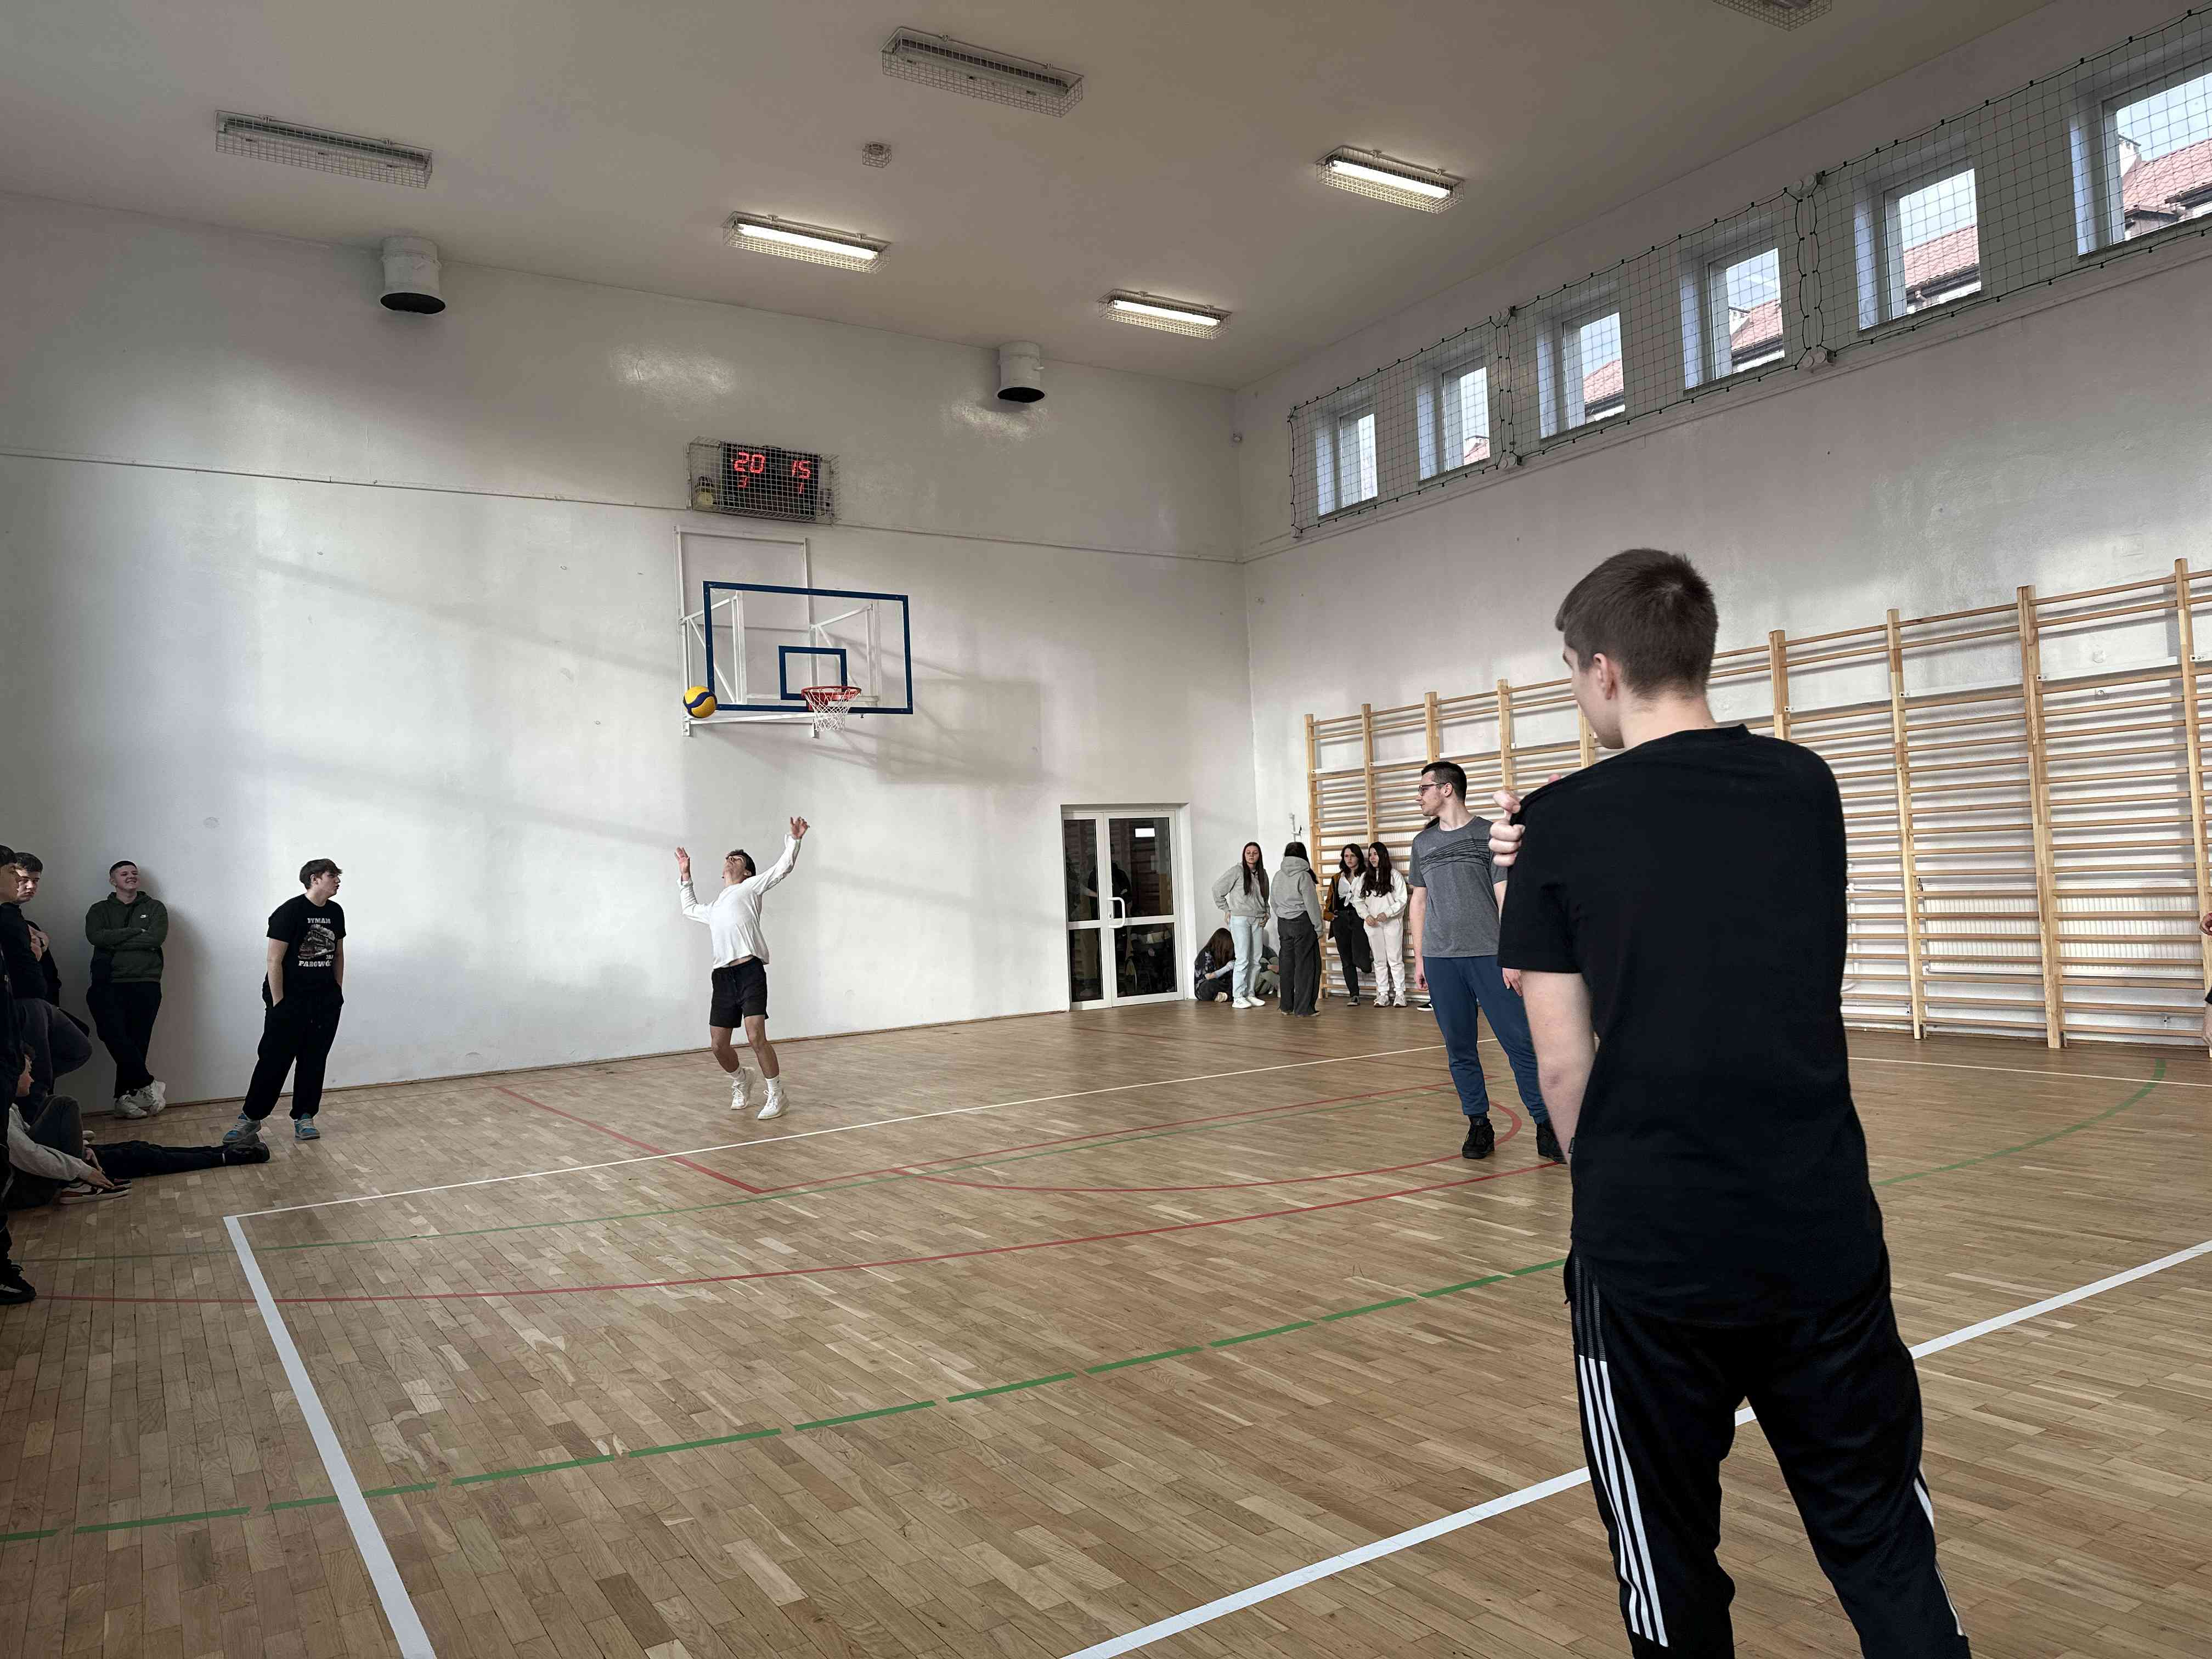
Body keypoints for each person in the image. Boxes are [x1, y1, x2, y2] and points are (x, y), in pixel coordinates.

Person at [1497, 548, 1968, 1659]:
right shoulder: (1806, 786)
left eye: (1571, 672)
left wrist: (1531, 874)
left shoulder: (1561, 821)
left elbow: (1560, 1065)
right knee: (1882, 1541)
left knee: (1668, 1569)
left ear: (1603, 670)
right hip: (1819, 1226)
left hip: (1651, 1255)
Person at [1408, 761, 1558, 1163]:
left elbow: (1506, 896)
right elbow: (1419, 901)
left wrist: (1512, 954)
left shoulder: (1488, 834)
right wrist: (1420, 958)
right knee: (1459, 1048)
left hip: (1491, 956)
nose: (1418, 797)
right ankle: (1478, 1124)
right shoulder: (1422, 843)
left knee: (1520, 1044)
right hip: (1441, 960)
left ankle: (1546, 1124)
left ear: (1446, 789)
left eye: (1423, 788)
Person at [678, 819, 808, 1120]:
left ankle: (776, 1094)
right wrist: (685, 875)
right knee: (718, 1046)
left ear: (747, 871)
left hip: (750, 971)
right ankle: (741, 1078)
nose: (730, 860)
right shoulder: (714, 908)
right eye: (728, 858)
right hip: (723, 977)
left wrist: (794, 840)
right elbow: (689, 908)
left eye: (736, 859)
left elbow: (783, 868)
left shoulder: (751, 887)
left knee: (755, 1036)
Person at [225, 860, 347, 1147]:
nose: (338, 881)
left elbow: (338, 954)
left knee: (314, 1060)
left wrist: (336, 992)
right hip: (290, 1000)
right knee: (274, 1060)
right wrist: (279, 1003)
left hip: (324, 1001)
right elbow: (274, 960)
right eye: (332, 876)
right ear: (315, 879)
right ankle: (250, 1118)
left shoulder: (335, 912)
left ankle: (305, 1117)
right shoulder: (289, 911)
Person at [0, 856, 92, 1111]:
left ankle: (24, 1094)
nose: (29, 886)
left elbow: (41, 967)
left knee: (77, 1047)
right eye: (21, 878)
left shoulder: (21, 919)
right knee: (39, 1076)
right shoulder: (7, 917)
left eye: (35, 881)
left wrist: (39, 943)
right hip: (22, 1002)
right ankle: (34, 1115)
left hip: (40, 1001)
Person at [86, 859, 168, 1118]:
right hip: (108, 982)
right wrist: (135, 932)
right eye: (124, 874)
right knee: (113, 1036)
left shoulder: (154, 907)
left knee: (137, 1043)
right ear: (113, 881)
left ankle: (123, 1099)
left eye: (134, 873)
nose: (131, 876)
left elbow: (155, 938)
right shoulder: (99, 910)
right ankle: (148, 1083)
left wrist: (114, 939)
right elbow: (96, 937)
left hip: (146, 982)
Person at [1210, 843, 1271, 1009]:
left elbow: (1265, 899)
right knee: (1243, 958)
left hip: (1258, 920)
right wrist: (1226, 909)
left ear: (1259, 855)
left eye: (1255, 853)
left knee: (1256, 959)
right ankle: (1238, 996)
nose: (1251, 855)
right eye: (1248, 852)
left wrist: (1267, 914)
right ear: (1244, 855)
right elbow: (1217, 890)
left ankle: (1250, 994)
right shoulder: (1237, 871)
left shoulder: (1263, 874)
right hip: (1240, 919)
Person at [1271, 841, 1323, 1017]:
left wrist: (1282, 914)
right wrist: (1318, 928)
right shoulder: (1304, 876)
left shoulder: (1278, 875)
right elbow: (1312, 905)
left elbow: (1273, 901)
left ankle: (1286, 1006)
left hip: (1283, 924)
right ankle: (1303, 1009)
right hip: (1302, 923)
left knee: (1287, 965)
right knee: (1306, 966)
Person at [1355, 840, 1410, 1008]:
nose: (1373, 857)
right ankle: (1383, 994)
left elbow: (1402, 900)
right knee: (1379, 960)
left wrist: (1388, 913)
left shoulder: (1394, 876)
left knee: (1395, 959)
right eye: (1370, 854)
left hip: (1392, 923)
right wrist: (1366, 916)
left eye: (1376, 854)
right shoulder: (1365, 877)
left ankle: (1400, 994)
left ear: (1383, 855)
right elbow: (1358, 901)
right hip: (1372, 925)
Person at [1327, 845, 1374, 1004]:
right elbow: (1330, 900)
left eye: (1352, 856)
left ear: (1359, 857)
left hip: (1359, 918)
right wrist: (1330, 915)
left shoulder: (1366, 875)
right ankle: (1354, 994)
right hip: (1340, 919)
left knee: (1361, 957)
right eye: (1346, 856)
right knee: (1346, 958)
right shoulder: (1337, 878)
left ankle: (1366, 964)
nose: (1349, 859)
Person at [1193, 927, 1237, 1002]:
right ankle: (1228, 995)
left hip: (1221, 985)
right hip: (1205, 988)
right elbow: (1209, 977)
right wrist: (1228, 968)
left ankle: (1224, 996)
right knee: (1211, 984)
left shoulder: (1224, 955)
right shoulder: (1206, 953)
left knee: (1238, 982)